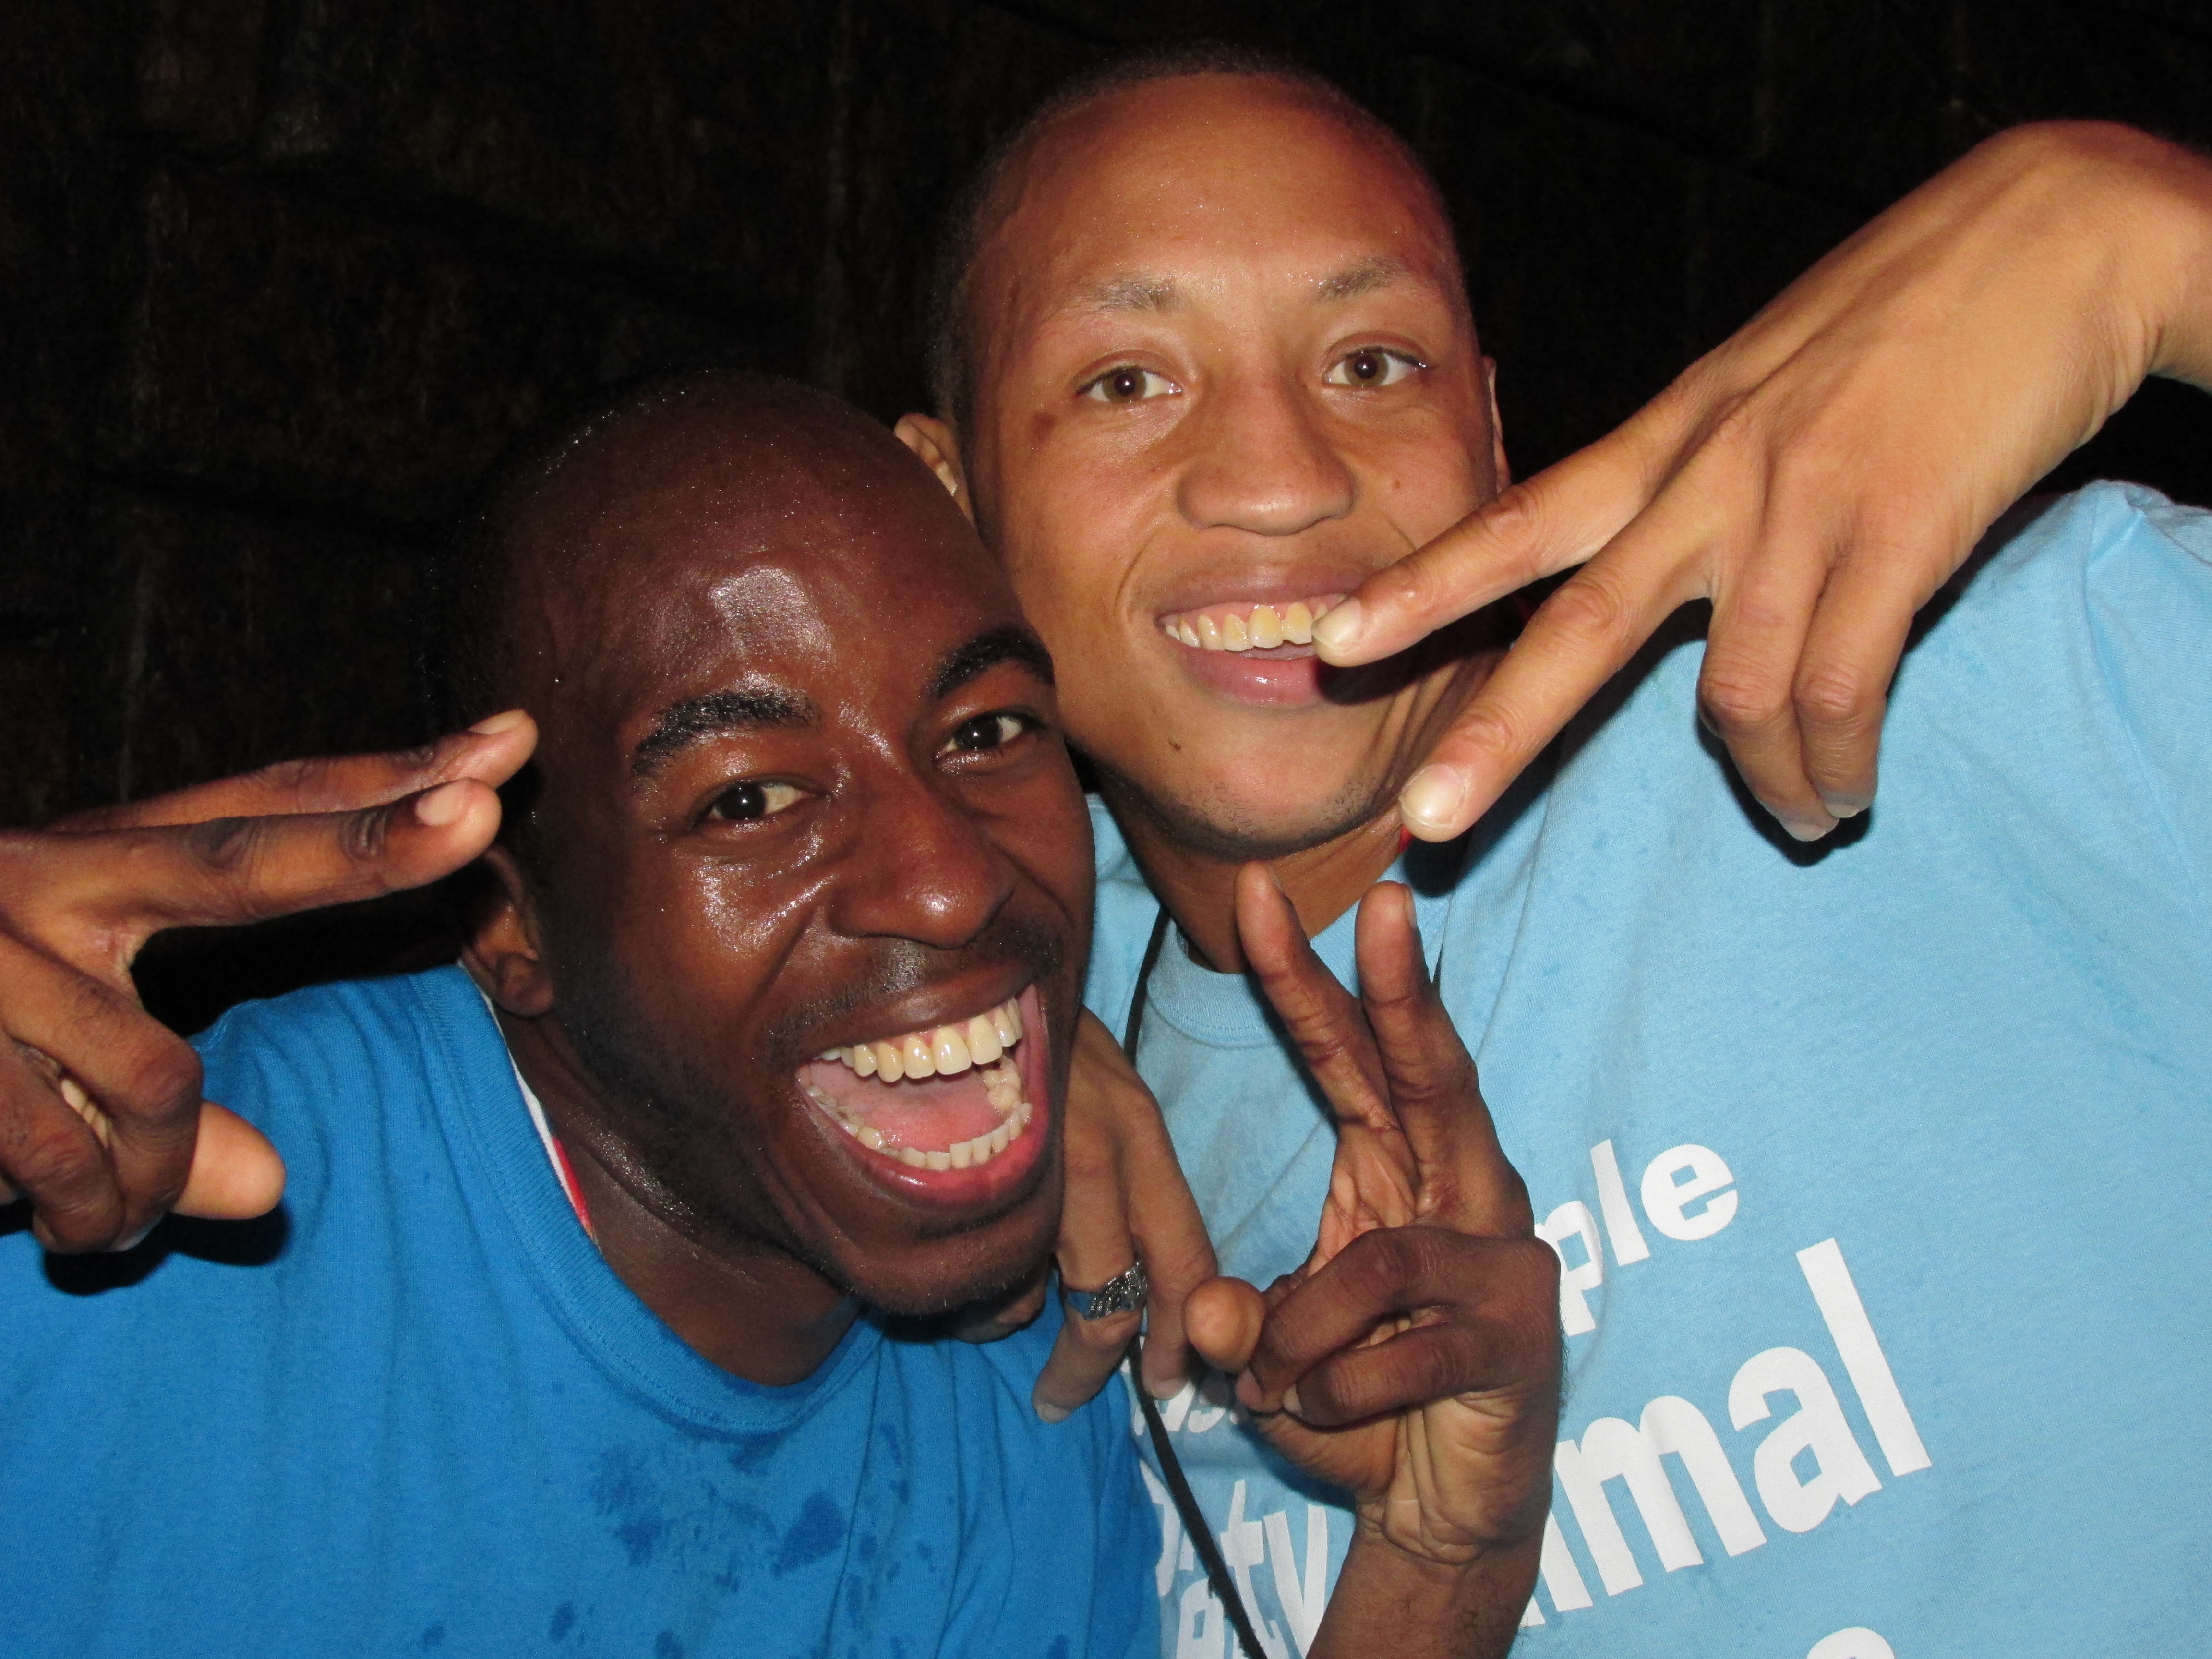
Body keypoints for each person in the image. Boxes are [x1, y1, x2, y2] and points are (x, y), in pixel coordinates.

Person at [887, 46, 2212, 1658]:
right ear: (942, 506)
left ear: (1494, 434)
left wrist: (2149, 243)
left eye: (1373, 364)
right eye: (1126, 381)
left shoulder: (1966, 685)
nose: (1280, 479)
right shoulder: (963, 1102)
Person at [0, 370, 1553, 1658]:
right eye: (748, 797)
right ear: (507, 926)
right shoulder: (126, 1231)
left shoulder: (1019, 1420)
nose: (948, 883)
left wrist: (1441, 1556)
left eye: (991, 729)